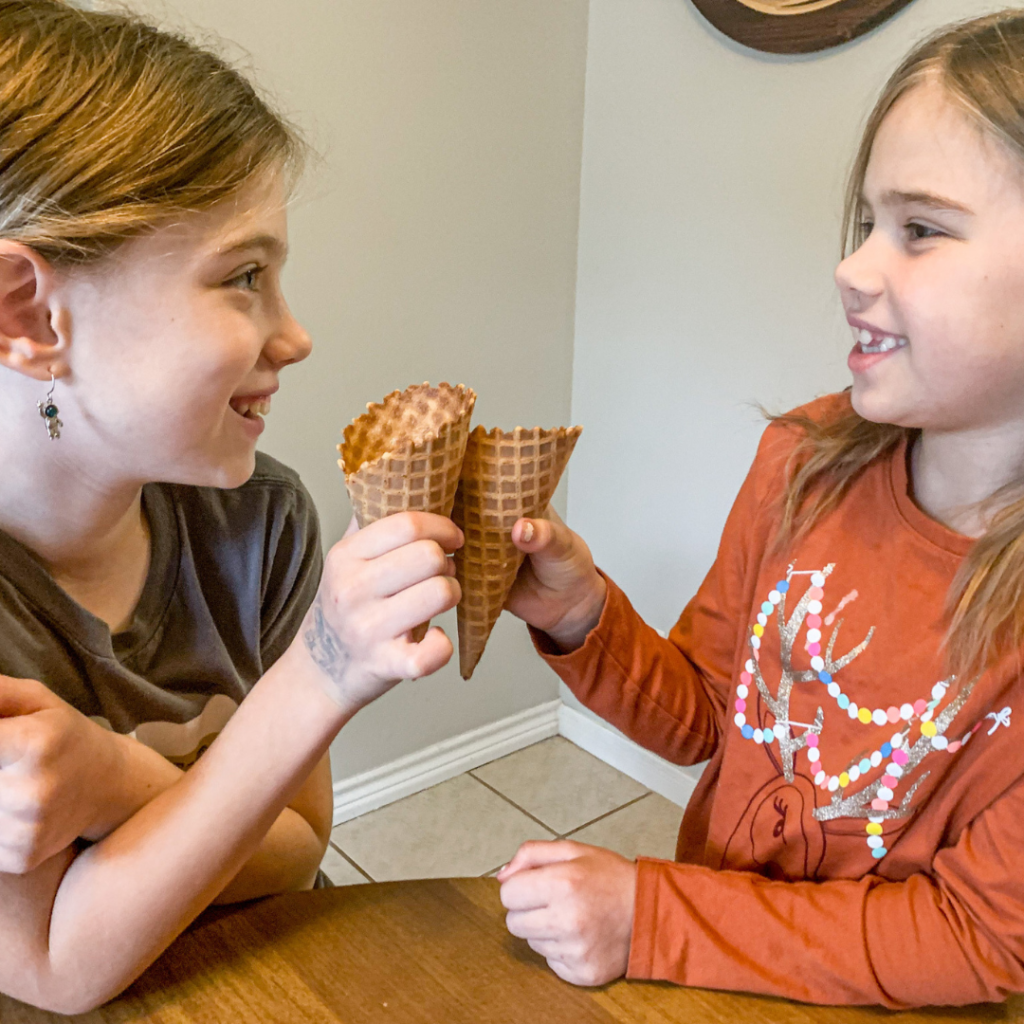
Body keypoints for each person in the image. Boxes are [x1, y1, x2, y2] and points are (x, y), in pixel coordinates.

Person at [498, 9, 1024, 1009]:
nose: (852, 267)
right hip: (708, 980)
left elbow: (975, 935)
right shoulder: (802, 463)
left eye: (919, 230)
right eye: (866, 222)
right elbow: (706, 715)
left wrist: (649, 916)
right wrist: (579, 617)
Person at [0, 0, 462, 1013]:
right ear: (29, 313)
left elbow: (297, 851)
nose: (294, 336)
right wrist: (323, 670)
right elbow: (54, 964)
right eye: (244, 276)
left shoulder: (264, 520)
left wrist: (116, 779)